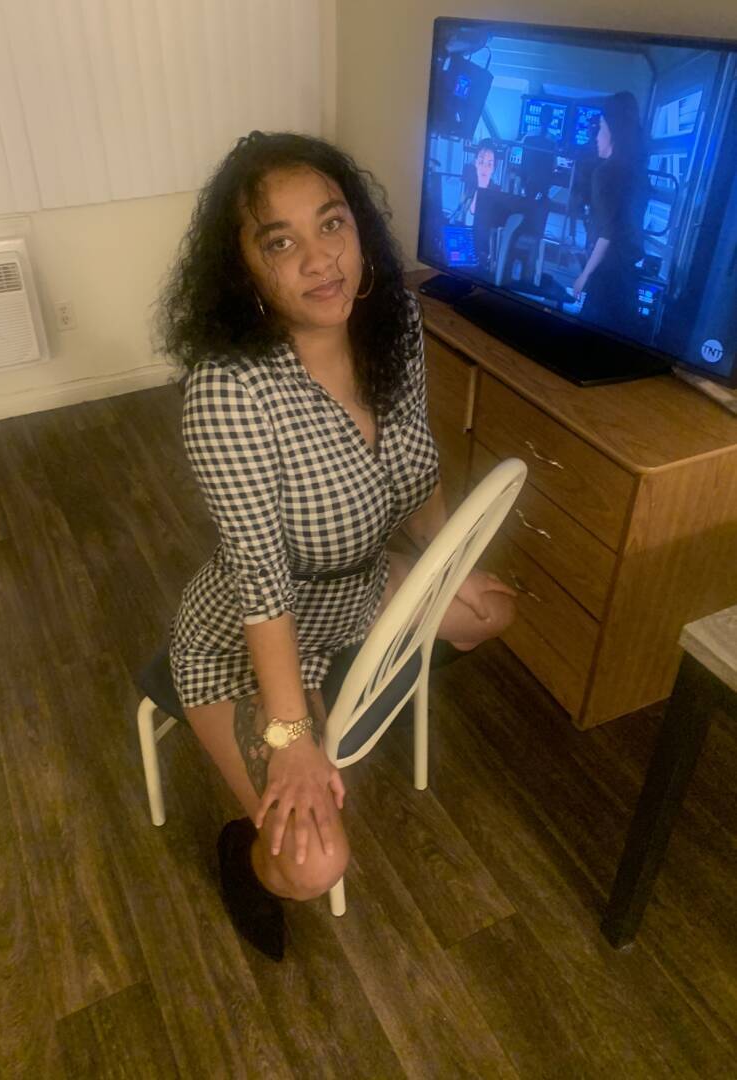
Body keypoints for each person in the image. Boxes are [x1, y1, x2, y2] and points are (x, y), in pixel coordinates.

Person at [153, 131, 517, 961]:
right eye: (279, 242)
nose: (321, 259)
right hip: (245, 638)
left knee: (490, 611)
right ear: (244, 270)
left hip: (353, 584)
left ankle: (339, 702)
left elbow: (417, 467)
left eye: (331, 223)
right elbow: (261, 582)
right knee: (312, 865)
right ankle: (244, 852)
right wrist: (289, 737)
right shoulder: (230, 392)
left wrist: (443, 562)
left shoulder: (392, 323)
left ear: (360, 228)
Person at [571, 92, 648, 338]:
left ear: (614, 131)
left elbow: (607, 234)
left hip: (607, 275)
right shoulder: (636, 171)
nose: (597, 136)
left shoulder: (605, 173)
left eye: (602, 128)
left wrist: (584, 276)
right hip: (628, 276)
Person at [450, 139, 500, 272]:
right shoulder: (467, 188)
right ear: (475, 163)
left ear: (494, 168)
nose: (485, 167)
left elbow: (492, 232)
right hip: (460, 250)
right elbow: (458, 220)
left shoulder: (497, 192)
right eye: (481, 162)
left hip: (482, 256)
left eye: (489, 164)